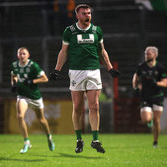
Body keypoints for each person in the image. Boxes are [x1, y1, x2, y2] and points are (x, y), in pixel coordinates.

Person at [50, 4, 120, 154]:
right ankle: (79, 139)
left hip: (94, 70)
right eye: (84, 13)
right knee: (77, 107)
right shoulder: (69, 31)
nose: (88, 16)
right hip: (76, 72)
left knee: (94, 106)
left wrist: (110, 68)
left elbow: (102, 50)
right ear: (77, 16)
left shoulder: (97, 30)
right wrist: (57, 70)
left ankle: (95, 140)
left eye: (89, 13)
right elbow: (64, 52)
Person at [11, 47, 55, 154]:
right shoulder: (15, 65)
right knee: (20, 116)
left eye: (24, 54)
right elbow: (14, 76)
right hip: (22, 95)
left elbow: (45, 78)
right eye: (20, 54)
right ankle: (26, 142)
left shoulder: (33, 66)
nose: (22, 56)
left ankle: (49, 137)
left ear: (28, 55)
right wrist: (13, 84)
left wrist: (32, 81)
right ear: (18, 55)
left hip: (35, 96)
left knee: (41, 120)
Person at [132, 46, 167, 148]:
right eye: (145, 54)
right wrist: (135, 86)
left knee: (157, 121)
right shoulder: (141, 66)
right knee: (146, 120)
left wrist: (156, 83)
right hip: (145, 97)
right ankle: (150, 118)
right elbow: (136, 76)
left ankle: (155, 142)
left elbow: (165, 83)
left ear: (155, 55)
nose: (146, 56)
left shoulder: (160, 68)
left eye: (148, 54)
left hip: (157, 97)